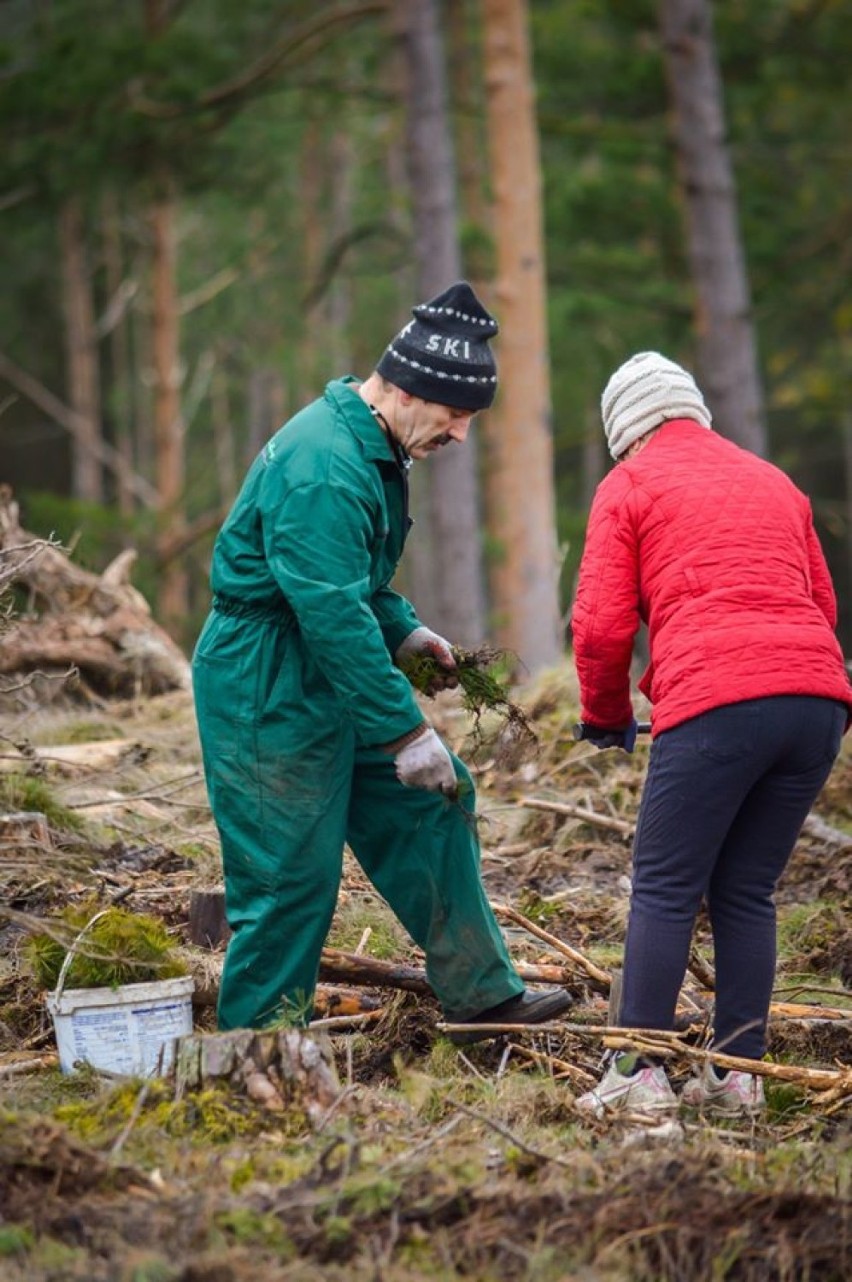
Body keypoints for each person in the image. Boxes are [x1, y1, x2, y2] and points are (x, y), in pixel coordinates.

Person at [192, 280, 572, 1036]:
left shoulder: (375, 443)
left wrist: (402, 629)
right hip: (264, 679)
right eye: (456, 416)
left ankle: (482, 997)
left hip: (327, 660)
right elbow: (328, 612)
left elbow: (350, 583)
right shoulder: (324, 465)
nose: (460, 436)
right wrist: (405, 733)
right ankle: (257, 1051)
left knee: (433, 803)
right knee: (288, 873)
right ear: (403, 389)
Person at [570, 351, 852, 1117]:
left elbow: (598, 626)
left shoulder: (628, 483)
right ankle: (738, 1079)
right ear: (694, 410)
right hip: (818, 704)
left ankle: (640, 1073)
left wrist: (604, 715)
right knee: (747, 890)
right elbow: (820, 603)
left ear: (623, 431)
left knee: (664, 887)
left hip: (718, 703)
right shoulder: (772, 480)